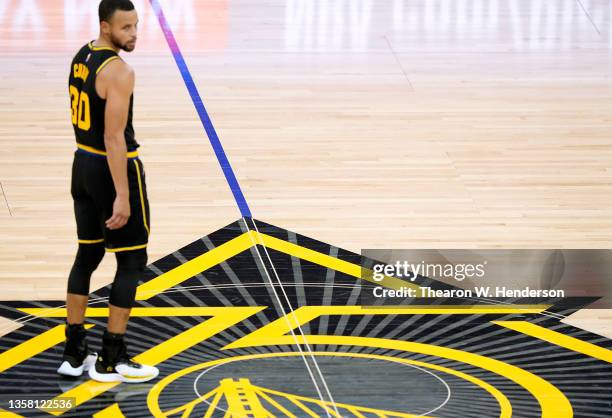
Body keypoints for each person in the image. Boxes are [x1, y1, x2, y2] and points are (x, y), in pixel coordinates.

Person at [59, 0, 158, 383]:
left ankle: (73, 352)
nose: (133, 35)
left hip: (81, 165)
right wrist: (122, 194)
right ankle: (111, 357)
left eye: (136, 26)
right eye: (126, 28)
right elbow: (113, 137)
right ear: (105, 26)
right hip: (110, 168)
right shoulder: (119, 71)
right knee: (131, 261)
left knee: (87, 254)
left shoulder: (82, 56)